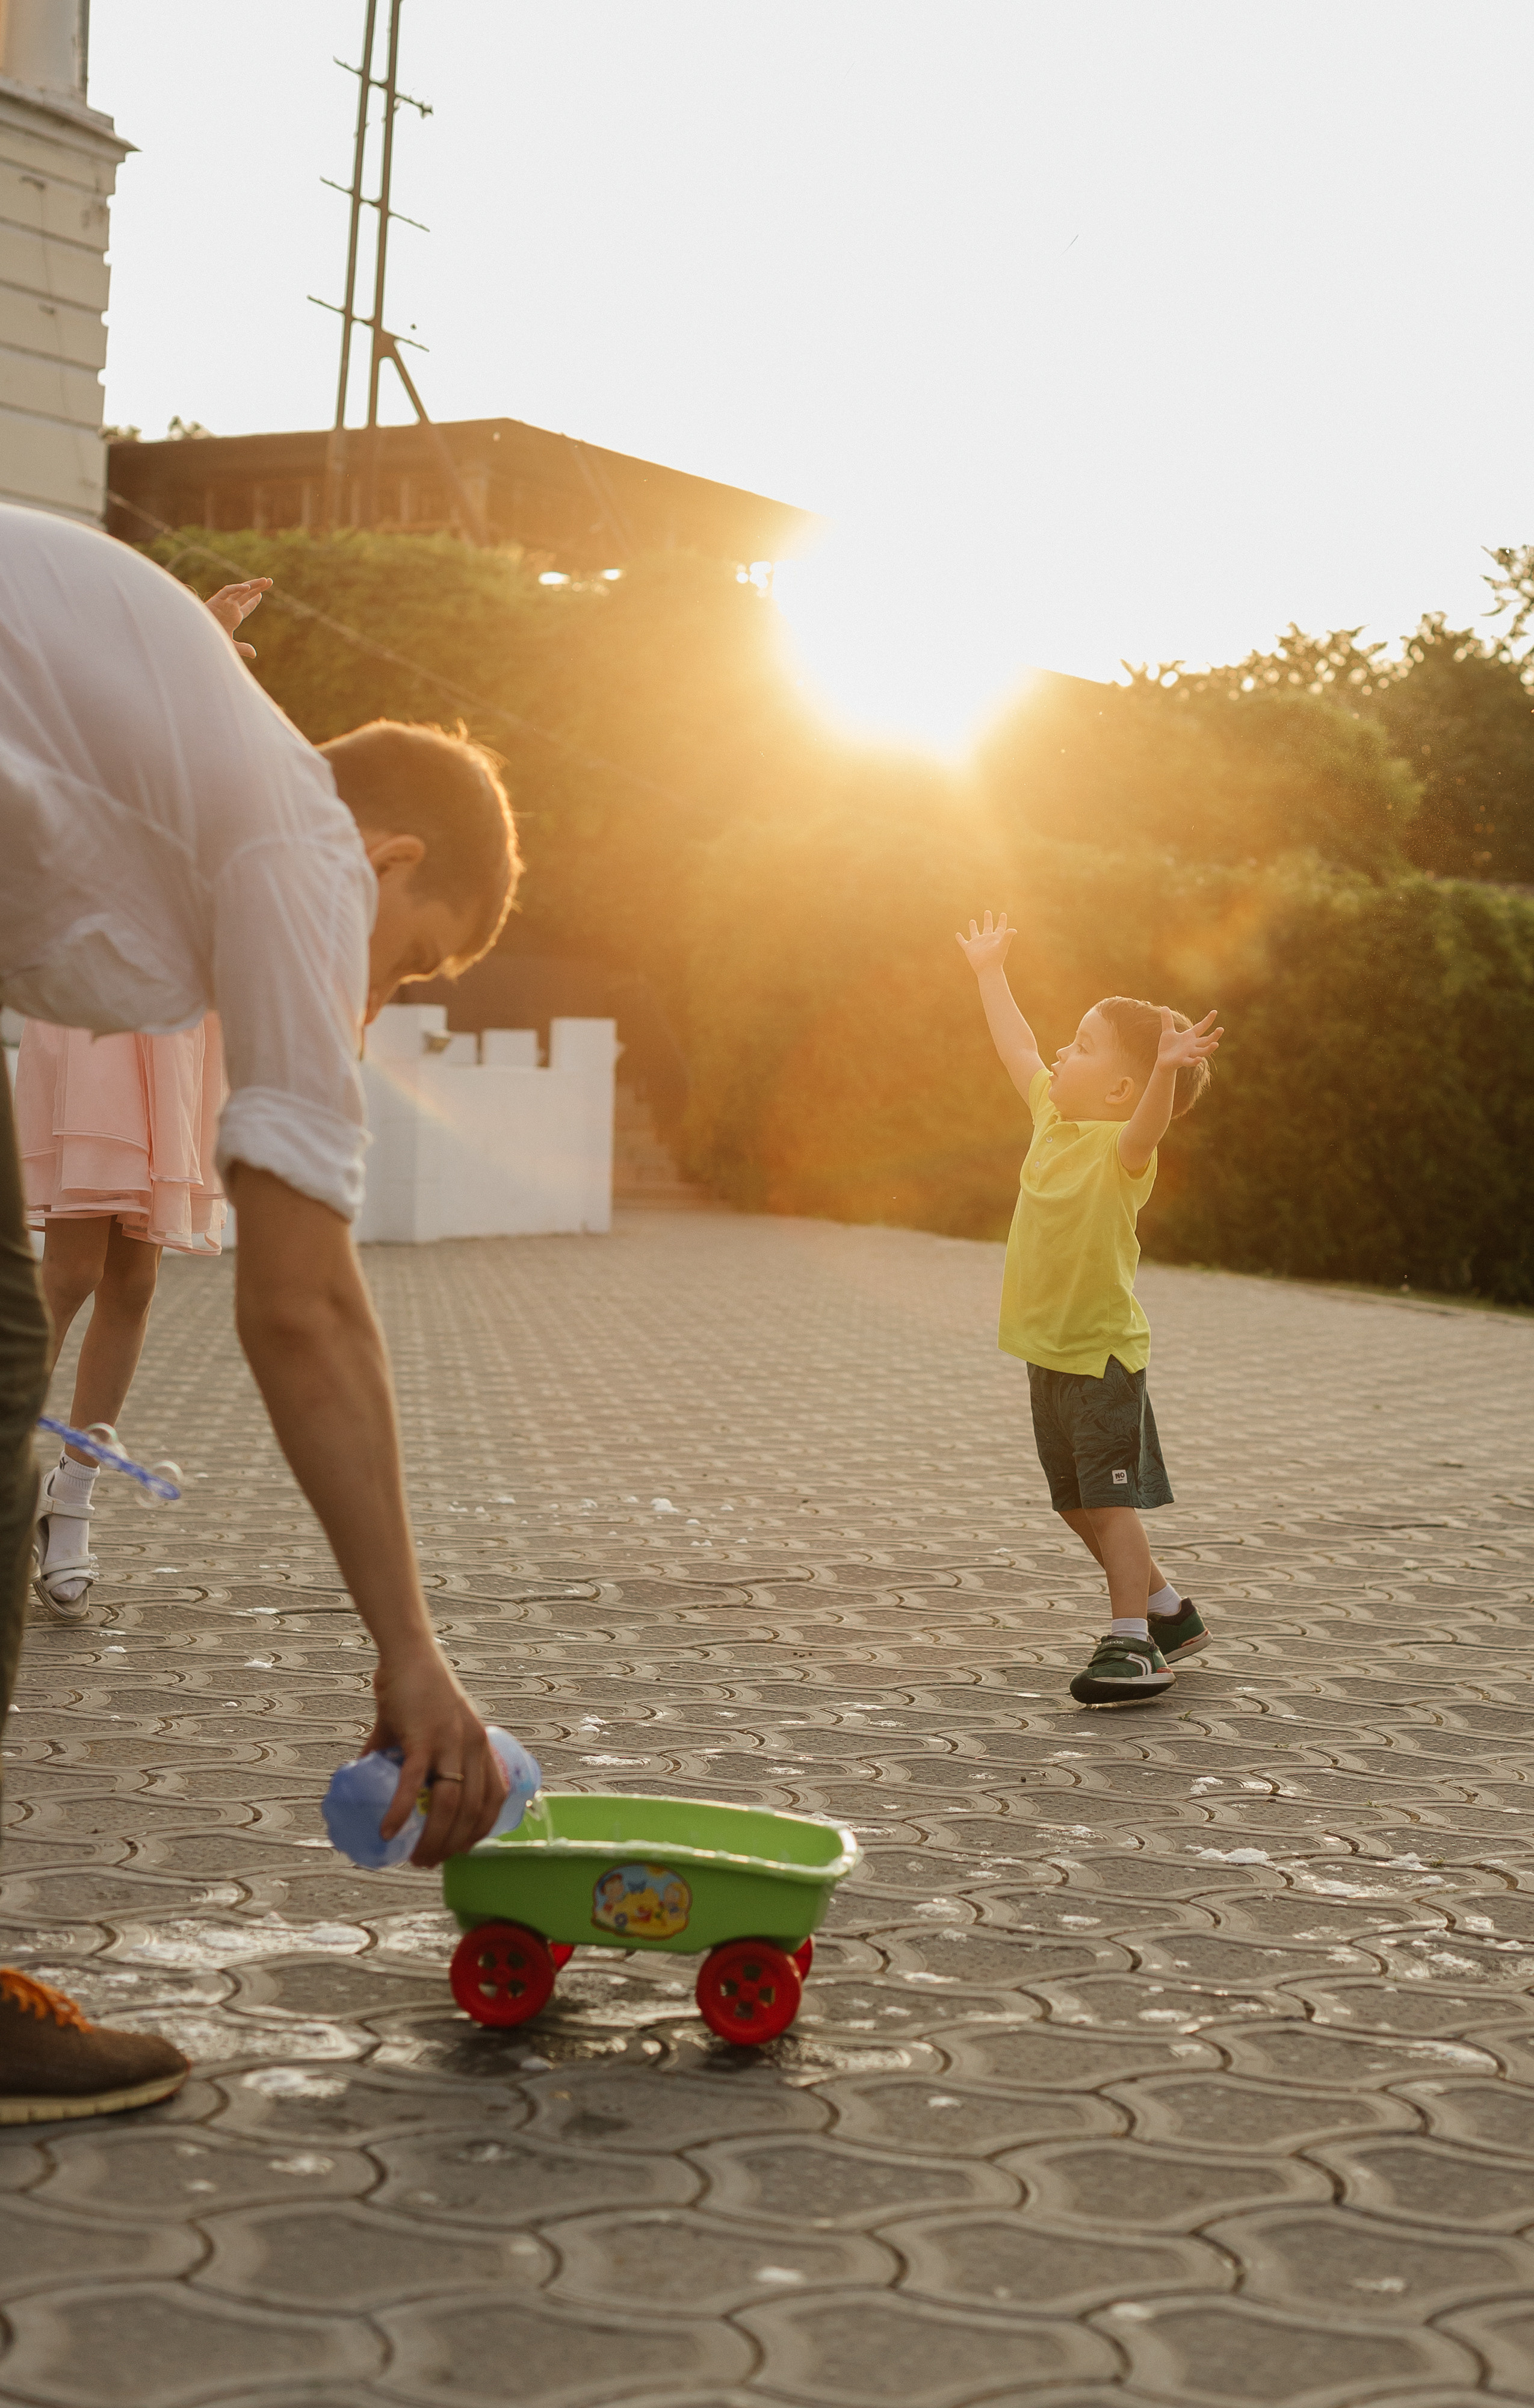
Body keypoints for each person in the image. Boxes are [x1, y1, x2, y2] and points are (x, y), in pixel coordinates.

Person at [0, 506, 520, 2123]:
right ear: (395, 862)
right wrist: (411, 1654)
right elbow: (301, 1310)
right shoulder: (305, 842)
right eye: (405, 965)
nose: (367, 1003)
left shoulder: (216, 762)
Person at [17, 580, 265, 1621]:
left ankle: (71, 1499)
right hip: (97, 1011)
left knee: (134, 1276)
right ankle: (8, 1474)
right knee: (72, 1266)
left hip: (174, 1024)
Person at [956, 910, 1221, 1706]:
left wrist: (1165, 1069)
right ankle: (1168, 1610)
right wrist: (988, 972)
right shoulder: (1050, 1115)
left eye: (1082, 1046)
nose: (1061, 1055)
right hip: (1048, 1353)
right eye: (1068, 1042)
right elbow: (1016, 1047)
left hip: (1102, 1357)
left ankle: (1132, 1645)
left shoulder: (1119, 1153)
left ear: (1117, 1087)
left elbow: (1148, 1119)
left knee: (1108, 1504)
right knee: (1075, 1505)